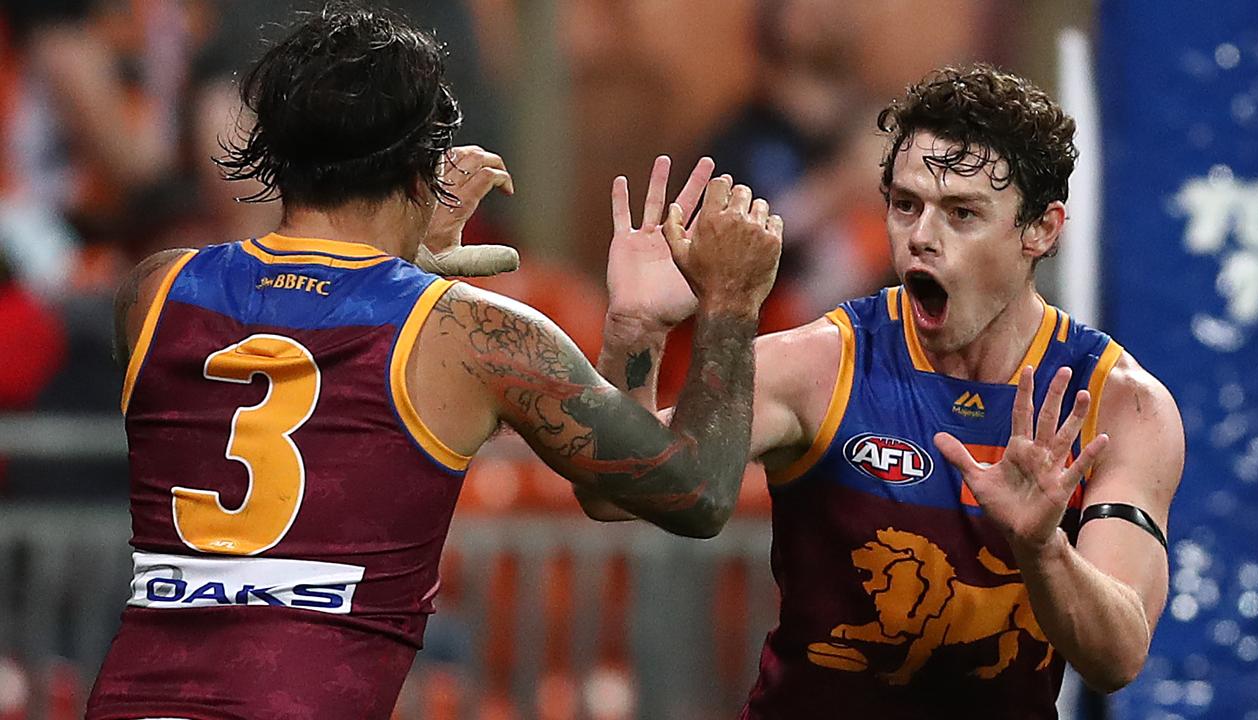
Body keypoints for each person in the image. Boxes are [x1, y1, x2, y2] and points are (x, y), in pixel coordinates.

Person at [85, 4, 782, 719]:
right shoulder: (471, 334)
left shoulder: (152, 292)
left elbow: (297, 302)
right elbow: (693, 494)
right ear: (425, 172)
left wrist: (411, 259)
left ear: (270, 153)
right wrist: (728, 303)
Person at [585, 64, 1184, 718]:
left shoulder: (1120, 405)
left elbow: (1118, 657)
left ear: (1041, 228)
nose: (922, 236)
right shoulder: (823, 365)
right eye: (906, 204)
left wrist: (1042, 550)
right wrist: (634, 329)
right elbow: (616, 495)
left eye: (962, 213)